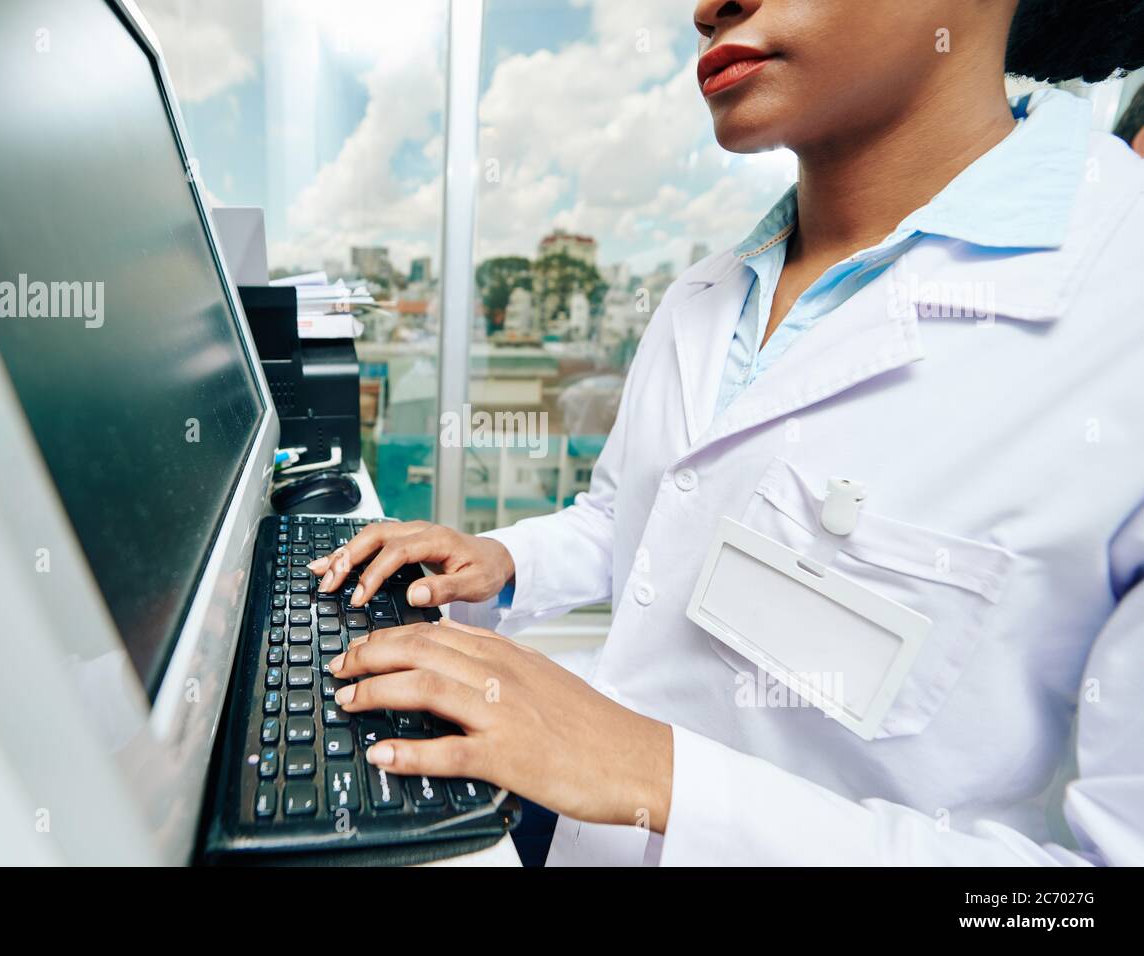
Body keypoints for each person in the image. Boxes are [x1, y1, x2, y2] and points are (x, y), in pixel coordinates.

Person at [310, 0, 1144, 866]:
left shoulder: (1119, 318)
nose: (707, 8)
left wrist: (658, 775)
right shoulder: (708, 294)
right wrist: (504, 561)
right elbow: (629, 522)